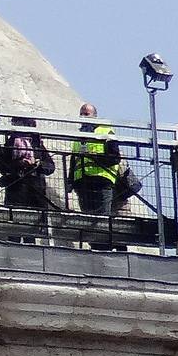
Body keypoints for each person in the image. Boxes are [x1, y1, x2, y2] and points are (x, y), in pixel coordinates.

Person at [71, 102, 125, 250]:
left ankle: (107, 247)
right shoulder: (78, 136)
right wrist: (71, 182)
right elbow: (73, 160)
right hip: (83, 183)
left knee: (102, 217)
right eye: (81, 113)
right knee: (88, 219)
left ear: (94, 116)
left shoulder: (105, 131)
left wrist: (96, 158)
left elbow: (114, 157)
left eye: (86, 113)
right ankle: (96, 247)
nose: (83, 116)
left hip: (102, 181)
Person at [0, 116, 55, 209]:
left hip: (36, 190)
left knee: (39, 220)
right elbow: (2, 165)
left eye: (20, 124)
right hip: (16, 189)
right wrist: (19, 163)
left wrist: (37, 164)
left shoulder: (37, 144)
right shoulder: (10, 143)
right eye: (16, 123)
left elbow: (50, 167)